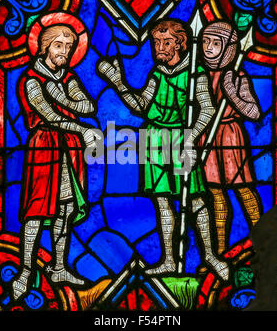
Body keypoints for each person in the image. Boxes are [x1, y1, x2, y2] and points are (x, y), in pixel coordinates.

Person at [98, 19, 229, 280]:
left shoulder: (194, 74)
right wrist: (118, 82)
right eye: (156, 42)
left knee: (196, 201)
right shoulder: (156, 75)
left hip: (181, 138)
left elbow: (208, 109)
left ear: (180, 44)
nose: (159, 47)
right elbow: (141, 107)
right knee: (163, 204)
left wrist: (191, 136)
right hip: (154, 139)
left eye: (166, 42)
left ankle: (211, 256)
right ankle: (169, 260)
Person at [12, 24, 98, 300]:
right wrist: (81, 128)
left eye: (69, 47)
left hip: (68, 149)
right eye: (59, 45)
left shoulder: (68, 77)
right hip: (44, 147)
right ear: (45, 46)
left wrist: (63, 98)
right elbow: (47, 115)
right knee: (37, 210)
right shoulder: (31, 79)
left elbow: (89, 106)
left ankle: (58, 266)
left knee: (67, 207)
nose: (64, 52)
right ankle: (25, 271)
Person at [199, 22, 262, 256]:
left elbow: (254, 112)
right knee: (215, 194)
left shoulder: (237, 76)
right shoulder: (199, 75)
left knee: (244, 190)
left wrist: (232, 93)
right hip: (206, 137)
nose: (209, 48)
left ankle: (262, 241)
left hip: (230, 137)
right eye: (205, 41)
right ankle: (220, 250)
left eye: (216, 43)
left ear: (229, 48)